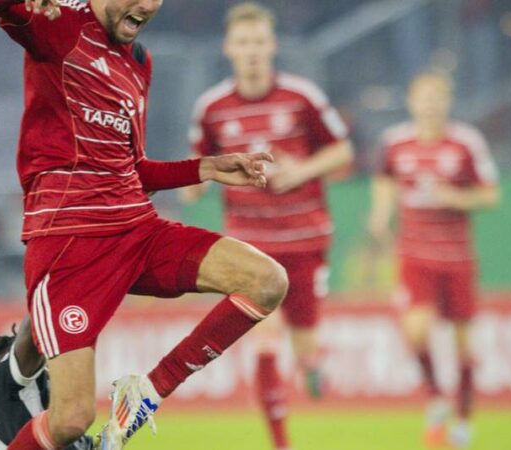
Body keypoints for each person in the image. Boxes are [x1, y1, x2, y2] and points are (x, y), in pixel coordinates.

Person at [0, 0, 290, 449]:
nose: (148, 5)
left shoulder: (138, 62)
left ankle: (144, 395)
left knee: (268, 281)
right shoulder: (58, 24)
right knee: (72, 420)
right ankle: (16, 373)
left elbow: (131, 168)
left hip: (138, 229)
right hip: (69, 243)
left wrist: (207, 168)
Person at [181, 4, 353, 450]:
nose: (252, 51)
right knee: (263, 341)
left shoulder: (302, 97)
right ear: (229, 48)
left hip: (304, 239)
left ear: (272, 46)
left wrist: (300, 171)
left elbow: (342, 152)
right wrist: (194, 185)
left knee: (303, 346)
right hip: (250, 245)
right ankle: (280, 443)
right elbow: (198, 169)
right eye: (244, 43)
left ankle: (314, 363)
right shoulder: (212, 108)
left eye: (259, 42)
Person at [368, 72, 500, 449]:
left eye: (437, 98)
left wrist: (454, 198)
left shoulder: (465, 142)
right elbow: (384, 179)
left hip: (457, 257)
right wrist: (380, 214)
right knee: (415, 331)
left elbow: (490, 195)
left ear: (447, 102)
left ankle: (464, 418)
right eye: (423, 98)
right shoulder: (395, 142)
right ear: (411, 101)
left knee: (463, 346)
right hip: (415, 255)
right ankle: (437, 398)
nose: (430, 104)